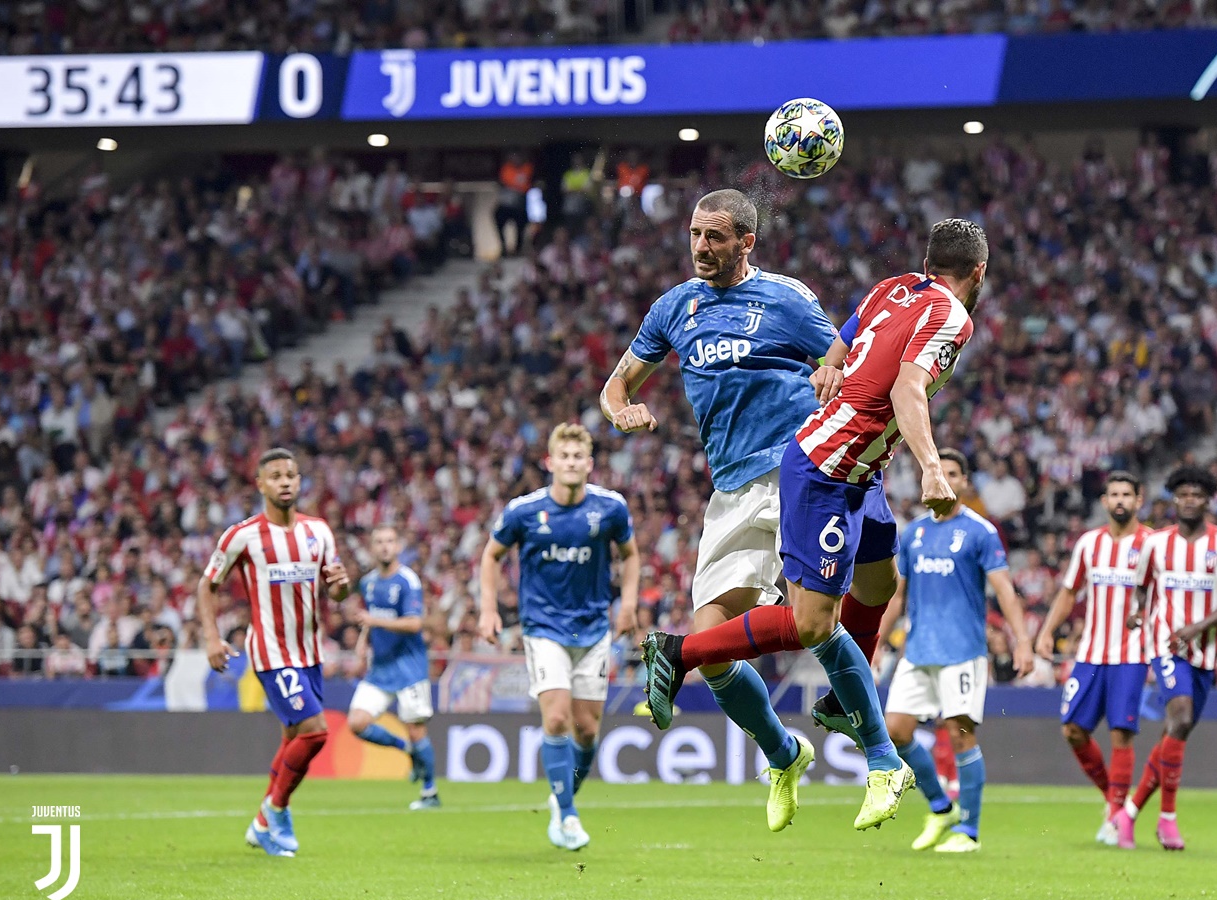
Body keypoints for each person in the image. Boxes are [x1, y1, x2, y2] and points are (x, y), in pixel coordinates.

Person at [643, 218, 996, 832]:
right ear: (979, 274)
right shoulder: (954, 319)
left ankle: (838, 698)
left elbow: (848, 339)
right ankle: (683, 653)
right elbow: (911, 391)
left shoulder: (895, 288)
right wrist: (933, 469)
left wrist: (831, 368)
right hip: (825, 471)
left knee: (880, 585)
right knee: (813, 623)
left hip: (858, 472)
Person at [601, 188, 844, 833]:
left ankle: (874, 744)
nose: (701, 246)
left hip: (794, 469)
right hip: (730, 488)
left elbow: (836, 352)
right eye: (695, 234)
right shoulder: (675, 307)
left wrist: (827, 372)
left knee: (808, 614)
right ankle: (784, 754)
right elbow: (617, 380)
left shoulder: (787, 298)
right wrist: (621, 407)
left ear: (746, 242)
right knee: (709, 652)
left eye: (715, 236)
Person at [478, 424, 640, 852]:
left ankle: (561, 797)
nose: (571, 463)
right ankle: (568, 815)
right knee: (555, 719)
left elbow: (631, 554)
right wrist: (489, 608)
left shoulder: (610, 508)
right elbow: (491, 555)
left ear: (589, 463)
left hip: (592, 629)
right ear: (550, 463)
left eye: (578, 456)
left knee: (587, 731)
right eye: (563, 456)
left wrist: (627, 604)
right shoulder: (523, 511)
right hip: (543, 627)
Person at [200, 447, 351, 858]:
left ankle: (262, 824)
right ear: (261, 484)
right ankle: (274, 810)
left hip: (309, 651)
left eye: (291, 475)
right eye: (276, 476)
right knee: (316, 730)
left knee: (292, 737)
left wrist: (341, 584)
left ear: (299, 481)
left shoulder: (318, 531)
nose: (285, 482)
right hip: (270, 651)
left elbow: (336, 590)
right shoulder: (242, 536)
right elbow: (206, 585)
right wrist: (212, 639)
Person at [882, 449, 1034, 854]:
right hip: (917, 650)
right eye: (935, 472)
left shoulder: (980, 531)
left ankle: (969, 830)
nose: (941, 479)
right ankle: (939, 805)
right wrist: (877, 644)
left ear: (965, 481)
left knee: (961, 735)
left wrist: (1022, 641)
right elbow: (898, 597)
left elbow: (1003, 588)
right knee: (895, 731)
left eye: (951, 472)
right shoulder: (912, 532)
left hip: (963, 651)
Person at [1111, 466, 1217, 851]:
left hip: (1203, 651)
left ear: (1208, 500)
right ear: (1174, 498)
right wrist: (1139, 613)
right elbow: (1142, 588)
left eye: (1197, 495)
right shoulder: (1155, 544)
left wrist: (1196, 628)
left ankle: (1130, 812)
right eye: (1183, 494)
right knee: (1182, 717)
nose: (1190, 500)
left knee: (1175, 732)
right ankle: (1167, 819)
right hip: (1165, 643)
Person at [1035, 471, 1152, 845]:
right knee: (1072, 729)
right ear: (1104, 501)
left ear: (1139, 500)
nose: (1120, 500)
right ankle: (1113, 801)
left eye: (1126, 494)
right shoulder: (1089, 543)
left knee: (1121, 734)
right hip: (1090, 653)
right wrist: (1047, 631)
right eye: (1113, 494)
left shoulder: (1153, 543)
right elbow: (1069, 592)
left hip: (1133, 654)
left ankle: (1117, 818)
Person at [346, 525, 439, 811]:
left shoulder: (408, 581)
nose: (385, 546)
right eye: (379, 542)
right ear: (373, 548)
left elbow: (414, 623)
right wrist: (363, 643)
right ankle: (406, 751)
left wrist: (374, 623)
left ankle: (430, 793)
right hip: (380, 668)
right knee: (357, 723)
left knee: (416, 729)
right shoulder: (369, 583)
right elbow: (369, 619)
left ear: (398, 546)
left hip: (409, 667)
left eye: (389, 541)